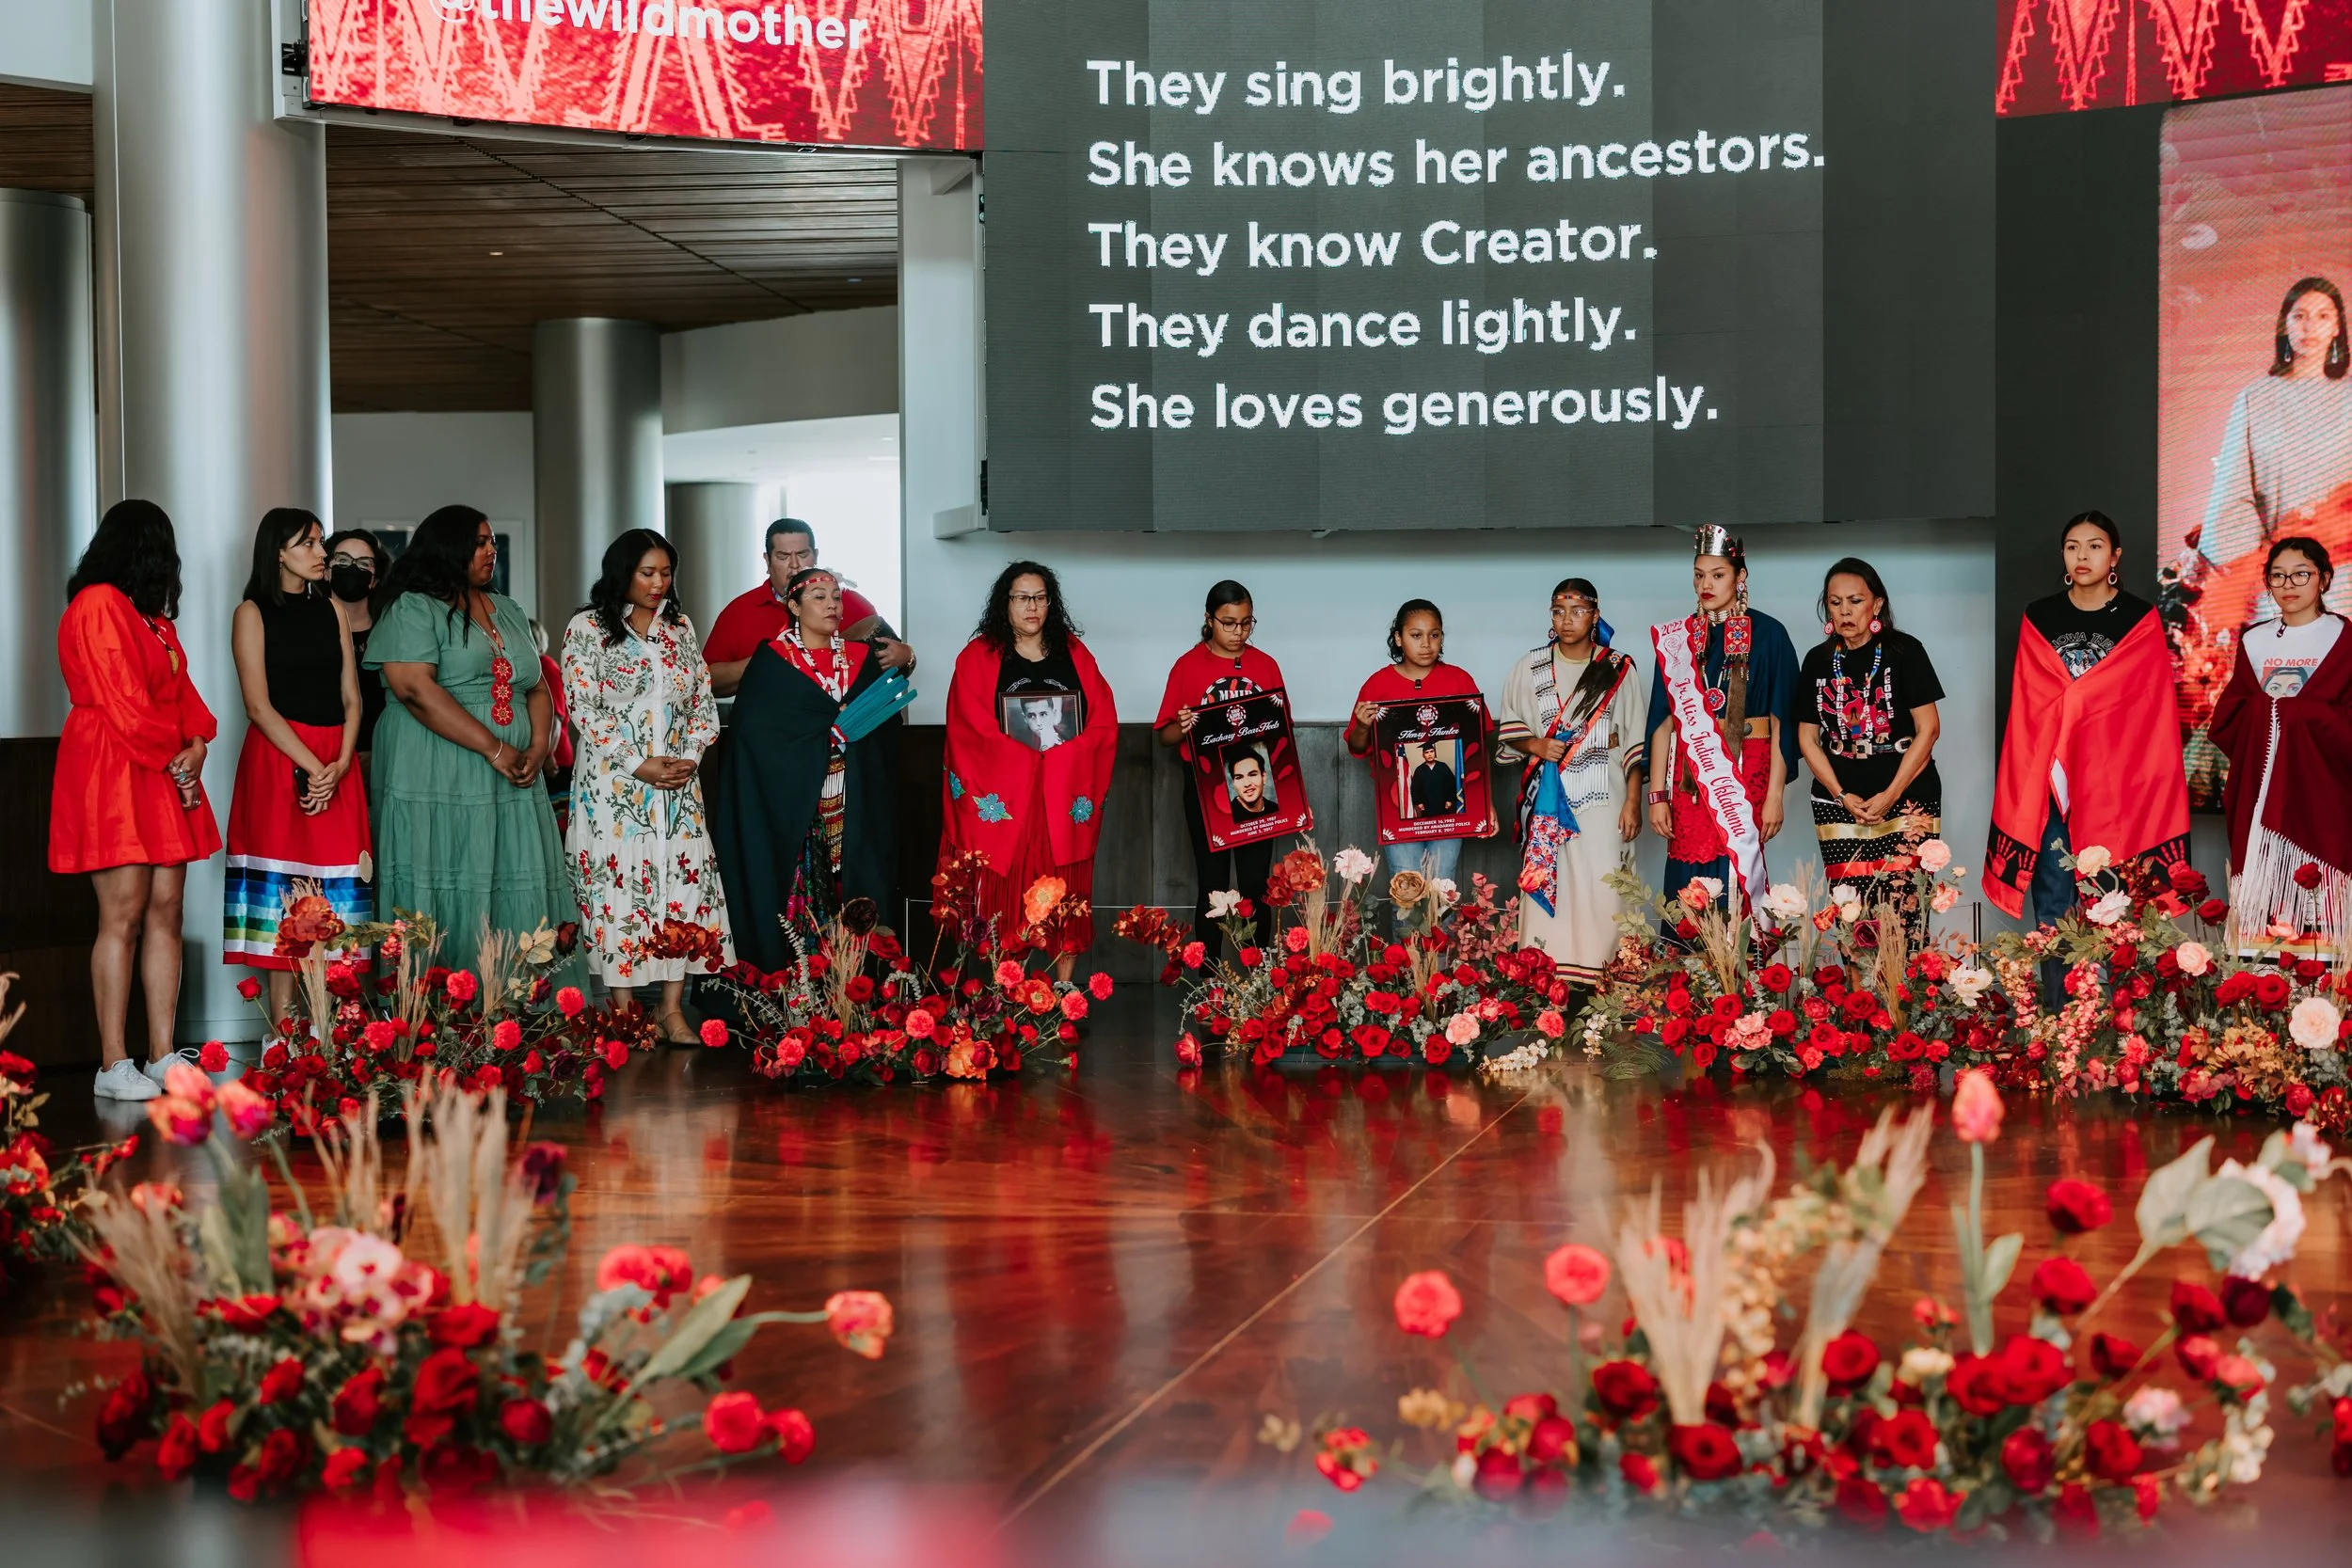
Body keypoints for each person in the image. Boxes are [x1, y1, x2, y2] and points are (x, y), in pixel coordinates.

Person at [48, 500, 220, 1101]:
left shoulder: (153, 619)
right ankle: (112, 1062)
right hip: (112, 765)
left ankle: (161, 1053)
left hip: (162, 768)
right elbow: (124, 704)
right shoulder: (96, 603)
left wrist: (196, 748)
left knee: (166, 909)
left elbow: (186, 697)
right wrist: (178, 755)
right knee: (121, 912)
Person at [365, 505, 579, 977]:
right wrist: (494, 748)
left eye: (492, 542)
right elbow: (415, 690)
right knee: (446, 869)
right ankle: (442, 1005)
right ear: (448, 548)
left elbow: (536, 684)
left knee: (508, 872)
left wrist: (538, 746)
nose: (491, 550)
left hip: (514, 773)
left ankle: (517, 998)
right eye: (480, 542)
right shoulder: (414, 607)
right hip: (437, 762)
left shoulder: (508, 609)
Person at [563, 529, 732, 1041]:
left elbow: (702, 700)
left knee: (678, 886)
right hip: (614, 787)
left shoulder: (679, 628)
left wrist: (689, 757)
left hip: (678, 785)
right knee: (620, 889)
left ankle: (672, 1009)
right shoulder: (587, 628)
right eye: (647, 573)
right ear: (622, 572)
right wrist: (638, 763)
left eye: (666, 572)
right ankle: (624, 1009)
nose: (660, 583)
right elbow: (582, 705)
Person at [1987, 511, 2191, 934]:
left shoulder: (2139, 619)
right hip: (2052, 785)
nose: (2082, 556)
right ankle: (2060, 1003)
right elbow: (2030, 701)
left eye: (2095, 546)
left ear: (2114, 556)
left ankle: (2112, 1003)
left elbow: (2149, 709)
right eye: (2072, 547)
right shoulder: (2039, 616)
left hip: (2116, 785)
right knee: (2054, 905)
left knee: (2113, 908)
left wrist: (2082, 700)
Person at [712, 567, 900, 972]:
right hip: (793, 802)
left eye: (836, 595)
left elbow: (885, 731)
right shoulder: (772, 661)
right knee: (802, 889)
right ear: (794, 606)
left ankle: (853, 986)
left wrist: (851, 737)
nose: (832, 604)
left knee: (852, 880)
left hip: (854, 797)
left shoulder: (862, 658)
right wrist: (818, 738)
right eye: (818, 596)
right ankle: (799, 980)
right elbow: (754, 736)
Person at [223, 508, 371, 1022]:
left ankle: (332, 1030)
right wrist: (314, 766)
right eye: (308, 543)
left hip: (335, 758)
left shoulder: (330, 608)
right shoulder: (251, 611)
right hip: (280, 756)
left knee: (338, 890)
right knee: (286, 889)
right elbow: (257, 706)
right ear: (278, 552)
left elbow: (351, 695)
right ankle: (281, 1033)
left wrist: (342, 759)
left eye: (319, 542)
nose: (321, 552)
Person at [939, 561, 1118, 978]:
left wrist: (1063, 755)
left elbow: (1103, 720)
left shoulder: (1074, 653)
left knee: (1065, 886)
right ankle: (1008, 982)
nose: (1031, 607)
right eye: (1022, 598)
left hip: (1060, 791)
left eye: (1039, 598)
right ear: (1006, 604)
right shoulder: (979, 656)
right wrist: (1024, 758)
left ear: (1050, 604)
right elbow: (969, 725)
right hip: (1010, 795)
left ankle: (1063, 986)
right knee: (1009, 889)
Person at [1498, 578, 1645, 986]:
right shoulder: (1529, 667)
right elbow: (1510, 734)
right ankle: (1546, 977)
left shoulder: (1618, 668)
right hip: (1548, 796)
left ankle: (1612, 985)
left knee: (1606, 888)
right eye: (1559, 611)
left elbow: (1635, 741)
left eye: (1578, 611)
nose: (1567, 620)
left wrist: (1634, 801)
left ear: (1595, 616)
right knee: (1552, 887)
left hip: (1605, 798)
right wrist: (1537, 744)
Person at [2209, 536, 2352, 955]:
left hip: (2322, 789)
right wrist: (2269, 713)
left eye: (2301, 574)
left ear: (2324, 579)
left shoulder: (2344, 638)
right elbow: (2230, 715)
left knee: (2319, 922)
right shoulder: (2254, 640)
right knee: (2266, 928)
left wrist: (2297, 715)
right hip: (2260, 789)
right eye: (2277, 576)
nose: (2289, 584)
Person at [1645, 528, 1799, 915]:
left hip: (1748, 769)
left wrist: (1776, 797)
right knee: (1687, 876)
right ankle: (1687, 973)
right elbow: (1663, 723)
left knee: (1737, 868)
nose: (1705, 584)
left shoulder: (1770, 634)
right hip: (1688, 775)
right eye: (1699, 574)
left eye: (1717, 575)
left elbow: (1784, 720)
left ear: (1740, 576)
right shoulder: (1677, 639)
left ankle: (1739, 973)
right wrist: (1658, 797)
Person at [1795, 558, 1946, 942]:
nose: (1845, 611)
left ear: (1876, 604)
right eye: (1835, 602)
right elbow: (1807, 739)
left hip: (1907, 793)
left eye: (1855, 601)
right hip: (1839, 798)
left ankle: (1903, 997)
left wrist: (1890, 795)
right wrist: (1841, 794)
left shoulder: (1905, 651)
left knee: (1905, 907)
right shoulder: (1817, 660)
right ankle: (1859, 998)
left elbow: (1928, 731)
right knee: (1851, 911)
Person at [1156, 580, 1289, 947]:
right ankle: (1209, 981)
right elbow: (1163, 735)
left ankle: (1262, 977)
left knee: (1256, 885)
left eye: (1246, 623)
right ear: (1209, 620)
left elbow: (1282, 734)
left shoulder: (1265, 665)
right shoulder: (1187, 666)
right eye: (1229, 623)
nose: (1238, 632)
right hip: (1204, 786)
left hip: (1256, 786)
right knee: (1212, 884)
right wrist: (1180, 727)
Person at [2197, 277, 2352, 585]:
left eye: (2323, 316)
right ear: (2285, 325)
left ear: (2337, 328)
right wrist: (2261, 562)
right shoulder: (2255, 399)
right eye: (2300, 316)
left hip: (2345, 571)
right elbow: (2233, 492)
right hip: (2276, 573)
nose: (2310, 326)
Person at [1344, 598, 1485, 889]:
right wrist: (1361, 725)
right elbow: (1358, 748)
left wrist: (1487, 804)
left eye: (1434, 635)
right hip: (1398, 811)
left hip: (1450, 815)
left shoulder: (1460, 681)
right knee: (1407, 893)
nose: (1426, 644)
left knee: (1441, 892)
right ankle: (1405, 939)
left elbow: (1477, 751)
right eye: (1416, 635)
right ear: (1398, 637)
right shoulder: (1378, 684)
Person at [703, 517, 915, 696]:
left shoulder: (851, 602)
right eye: (783, 556)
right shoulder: (740, 610)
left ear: (816, 555)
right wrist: (768, 661)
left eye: (803, 555)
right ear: (767, 561)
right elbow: (706, 681)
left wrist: (907, 657)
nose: (795, 565)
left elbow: (889, 668)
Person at [325, 529, 388, 773]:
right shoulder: (309, 631)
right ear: (327, 570)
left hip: (383, 758)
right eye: (342, 561)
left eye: (364, 563)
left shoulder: (390, 631)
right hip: (325, 758)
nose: (352, 569)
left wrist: (377, 753)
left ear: (374, 578)